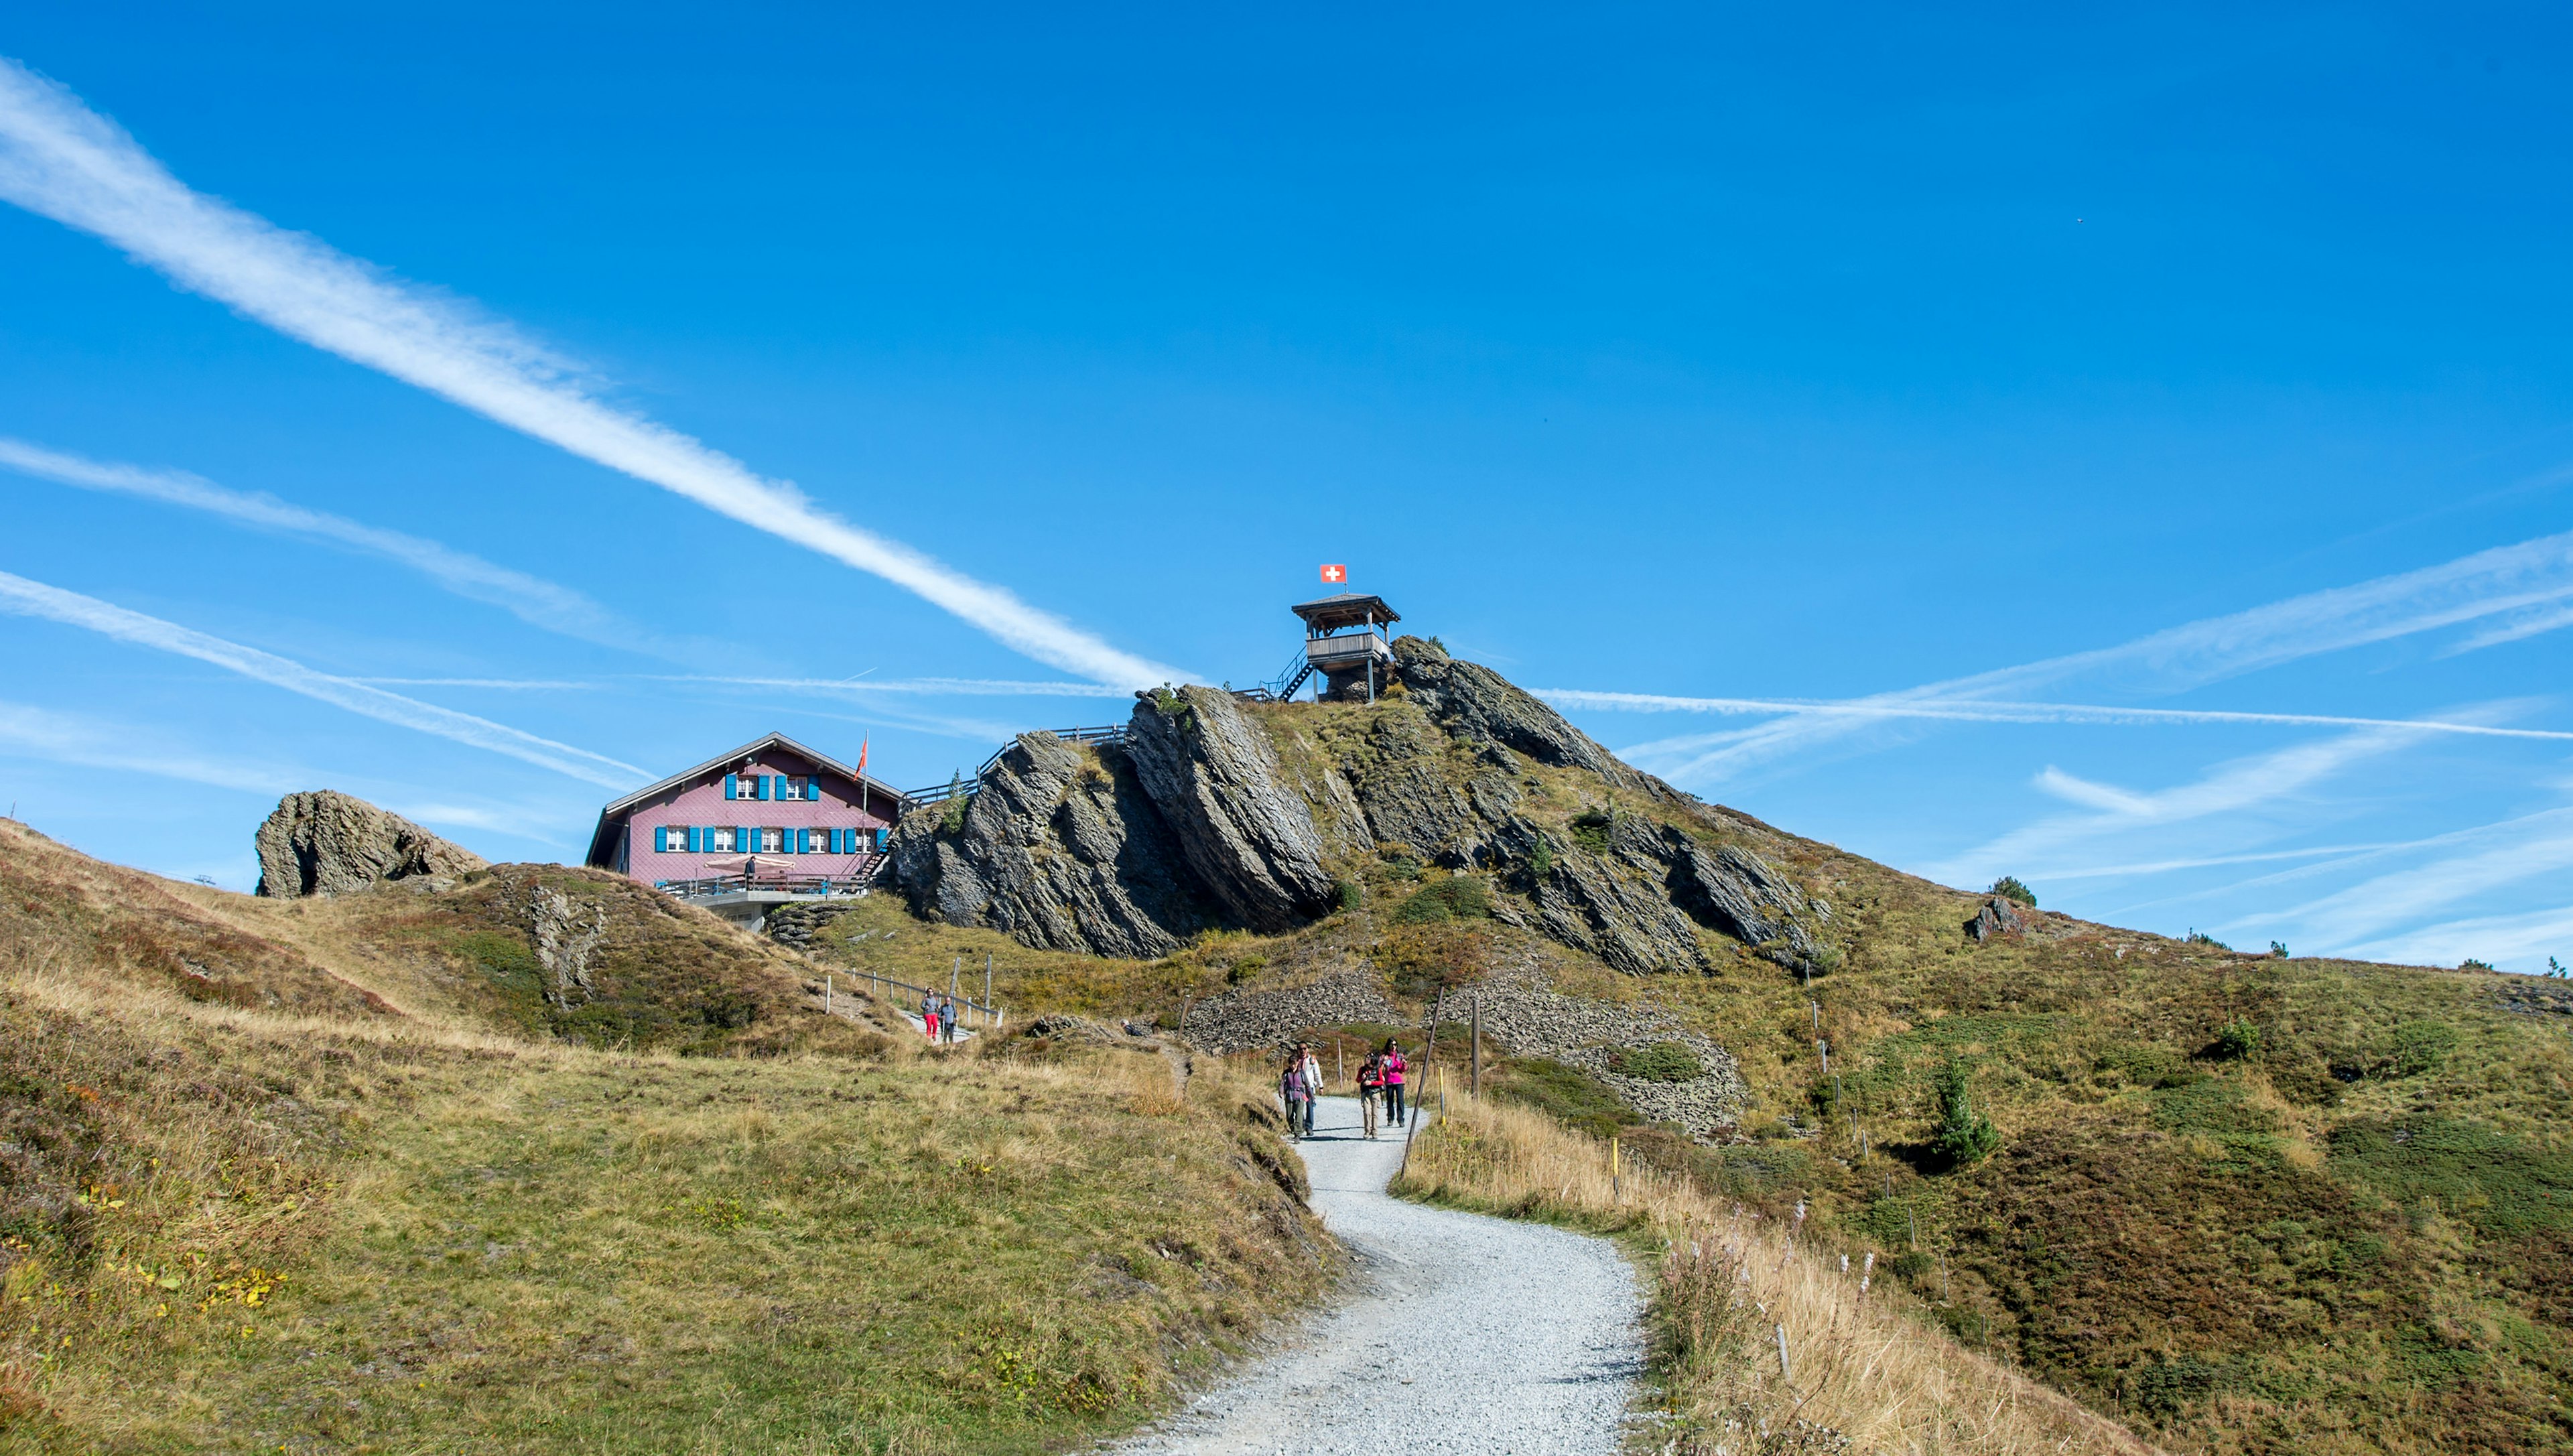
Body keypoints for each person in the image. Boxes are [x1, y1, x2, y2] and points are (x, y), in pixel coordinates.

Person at [1279, 1054, 1309, 1142]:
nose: (1293, 1066)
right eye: (1291, 1064)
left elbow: (1307, 1084)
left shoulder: (1302, 1073)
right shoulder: (1286, 1073)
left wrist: (1311, 1096)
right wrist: (1281, 1092)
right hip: (1289, 1096)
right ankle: (1293, 1129)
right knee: (1289, 1116)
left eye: (1295, 1064)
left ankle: (1297, 1134)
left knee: (1299, 1116)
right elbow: (1282, 1084)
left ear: (1298, 1063)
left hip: (1299, 1096)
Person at [1356, 1047, 1384, 1139]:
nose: (1366, 1060)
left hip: (1375, 1093)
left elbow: (1381, 1082)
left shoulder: (1378, 1070)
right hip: (1366, 1093)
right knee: (1367, 1112)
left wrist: (1372, 1083)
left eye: (1368, 1058)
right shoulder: (1362, 1069)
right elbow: (1357, 1080)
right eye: (1366, 1058)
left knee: (1375, 1113)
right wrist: (1362, 1078)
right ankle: (1367, 1131)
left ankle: (1375, 1131)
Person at [1298, 1044, 1324, 1136]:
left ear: (1307, 1049)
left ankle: (1309, 1127)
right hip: (1298, 1087)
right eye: (1300, 1049)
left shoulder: (1312, 1060)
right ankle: (1301, 1125)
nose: (1303, 1051)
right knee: (1299, 1107)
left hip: (1309, 1087)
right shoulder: (1295, 1060)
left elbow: (1317, 1073)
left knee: (1310, 1107)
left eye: (1304, 1049)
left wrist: (1321, 1086)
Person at [1381, 1038, 1407, 1127]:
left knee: (1400, 1101)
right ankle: (1390, 1118)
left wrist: (1404, 1064)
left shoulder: (1400, 1056)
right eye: (1392, 1045)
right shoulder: (1385, 1056)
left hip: (1399, 1081)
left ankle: (1401, 1119)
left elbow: (1403, 1069)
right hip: (1389, 1081)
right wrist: (1383, 1062)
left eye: (1395, 1045)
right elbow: (1381, 1067)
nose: (1394, 1047)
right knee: (1390, 1101)